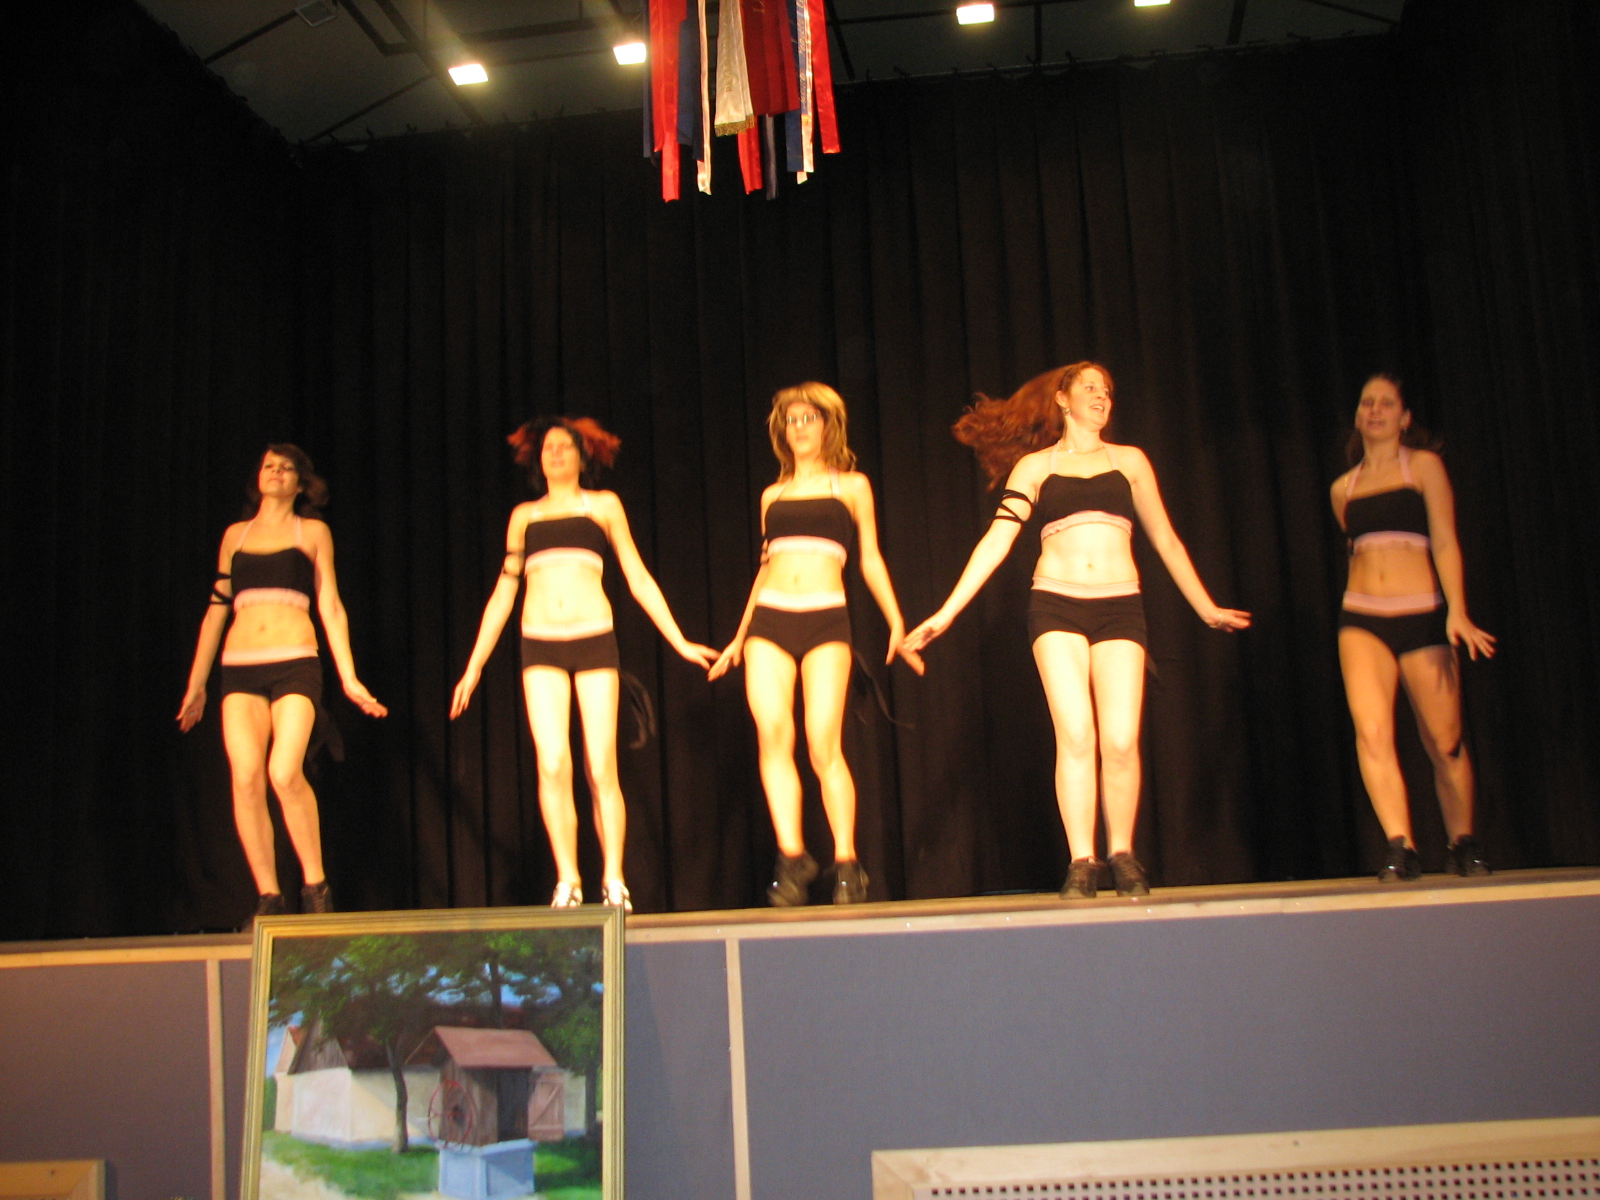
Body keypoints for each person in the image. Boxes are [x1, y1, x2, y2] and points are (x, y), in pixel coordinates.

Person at [903, 363, 1250, 898]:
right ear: (1063, 399)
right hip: (1056, 606)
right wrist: (945, 614)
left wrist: (1205, 606)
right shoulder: (1035, 467)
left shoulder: (1129, 461)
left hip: (1120, 606)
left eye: (1107, 390)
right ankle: (1082, 859)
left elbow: (1166, 539)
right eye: (1089, 387)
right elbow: (996, 541)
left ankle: (1123, 853)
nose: (1101, 396)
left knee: (1121, 738)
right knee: (1076, 734)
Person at [451, 417, 716, 912]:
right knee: (552, 763)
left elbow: (637, 576)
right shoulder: (524, 516)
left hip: (594, 641)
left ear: (582, 456)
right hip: (540, 645)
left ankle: (613, 878)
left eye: (564, 447)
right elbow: (504, 591)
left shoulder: (604, 506)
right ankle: (568, 879)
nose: (555, 453)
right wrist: (475, 665)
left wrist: (678, 639)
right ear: (537, 460)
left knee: (600, 765)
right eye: (547, 448)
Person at [709, 383, 923, 906]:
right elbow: (766, 569)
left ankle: (847, 862)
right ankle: (793, 858)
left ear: (829, 426)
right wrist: (739, 636)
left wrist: (896, 620)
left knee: (822, 742)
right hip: (769, 622)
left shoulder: (851, 487)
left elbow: (870, 558)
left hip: (826, 619)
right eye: (792, 420)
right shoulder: (773, 496)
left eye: (809, 418)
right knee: (773, 735)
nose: (799, 427)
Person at [178, 445, 388, 920]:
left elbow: (330, 604)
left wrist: (349, 677)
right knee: (246, 777)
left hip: (295, 660)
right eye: (269, 466)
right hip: (240, 664)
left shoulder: (311, 532)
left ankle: (316, 888)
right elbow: (216, 609)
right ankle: (269, 897)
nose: (275, 473)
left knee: (284, 771)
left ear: (301, 483)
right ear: (258, 478)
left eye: (286, 468)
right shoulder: (235, 535)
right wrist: (197, 683)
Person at [1331, 373, 1495, 881]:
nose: (1375, 410)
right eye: (1367, 403)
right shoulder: (1343, 487)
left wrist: (1457, 610)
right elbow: (1354, 549)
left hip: (1422, 613)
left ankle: (1462, 840)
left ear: (1404, 418)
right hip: (1361, 617)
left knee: (1444, 741)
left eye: (1386, 403)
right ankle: (1399, 844)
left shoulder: (1424, 467)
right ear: (1358, 416)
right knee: (1372, 732)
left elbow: (1444, 540)